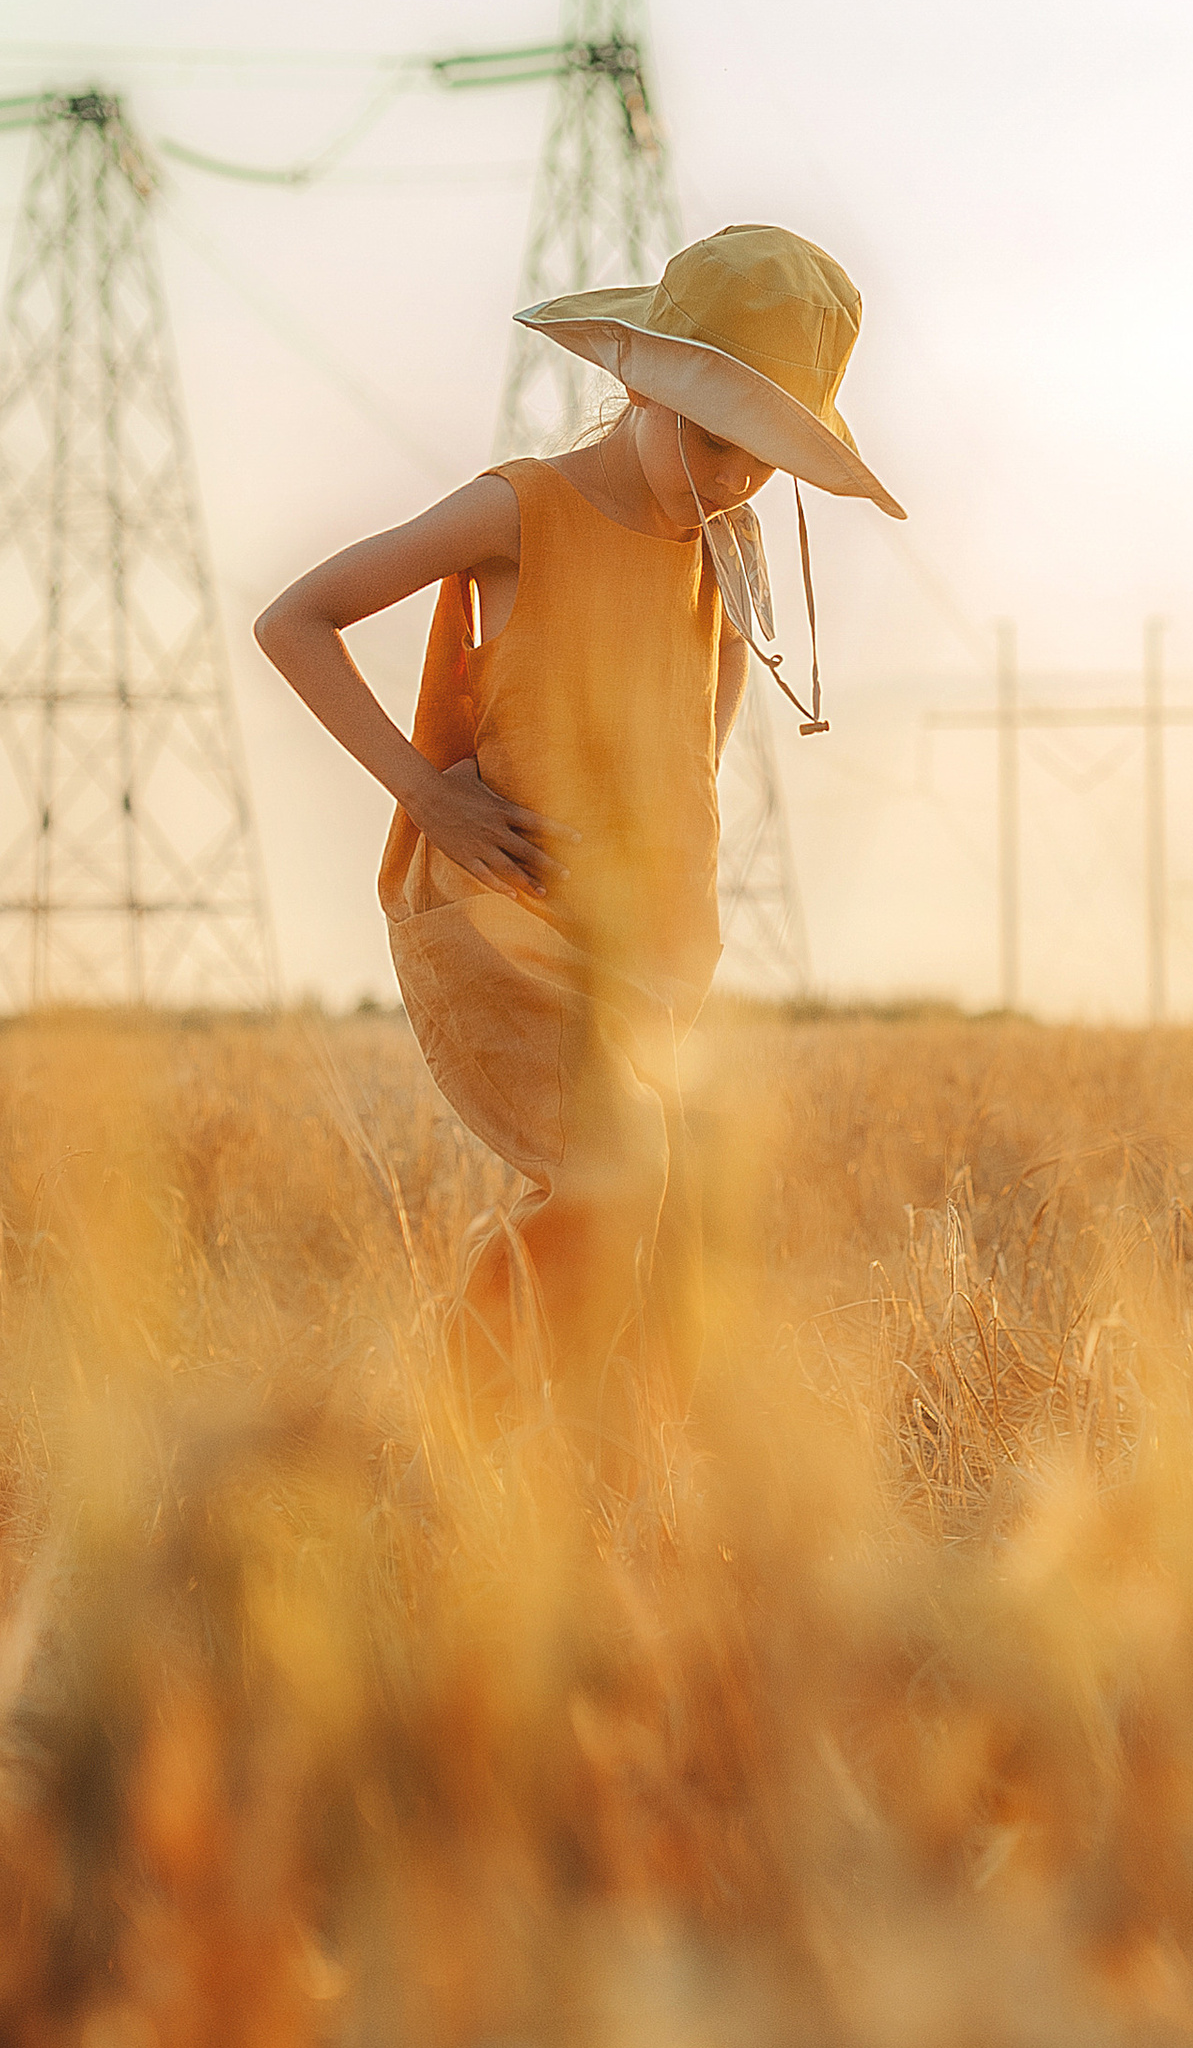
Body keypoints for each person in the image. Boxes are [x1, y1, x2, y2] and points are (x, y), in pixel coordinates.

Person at [254, 224, 903, 1426]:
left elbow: (693, 767)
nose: (732, 480)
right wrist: (419, 785)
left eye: (764, 459)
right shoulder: (522, 510)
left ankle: (595, 1482)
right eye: (717, 441)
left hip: (634, 943)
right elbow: (296, 617)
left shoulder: (728, 549)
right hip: (496, 913)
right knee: (617, 1175)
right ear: (642, 382)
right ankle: (462, 1432)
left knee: (674, 1209)